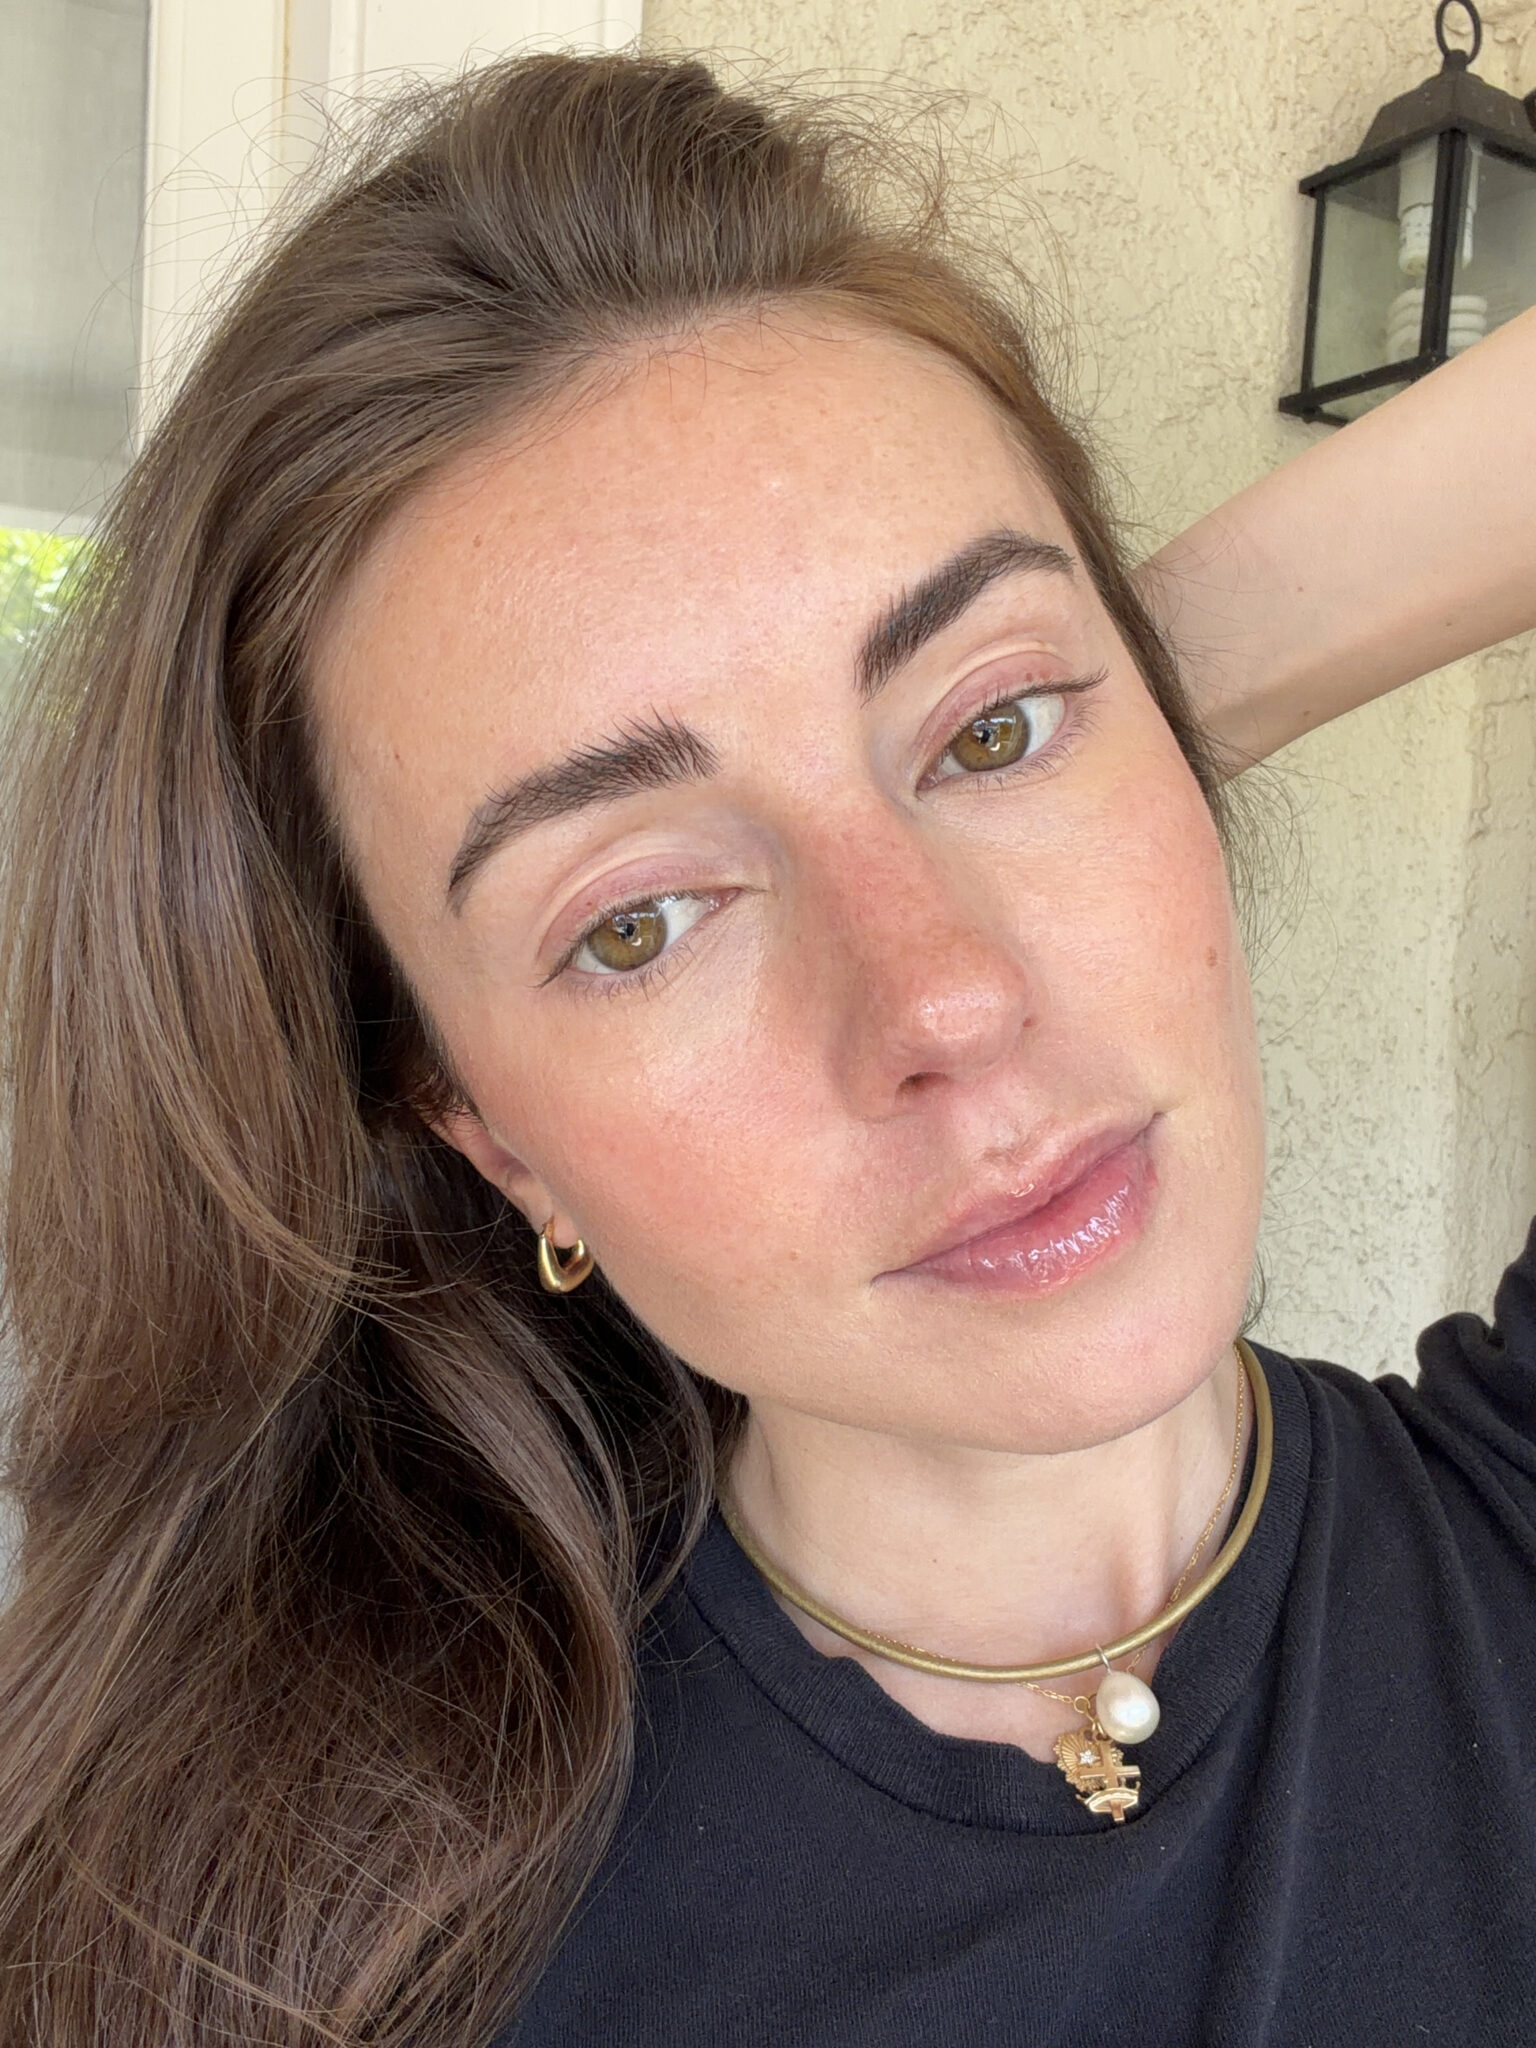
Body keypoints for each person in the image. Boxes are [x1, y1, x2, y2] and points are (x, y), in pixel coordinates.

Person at [0, 49, 1531, 2048]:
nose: (949, 1000)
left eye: (998, 732)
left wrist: (1121, 678)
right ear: (485, 1133)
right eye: (637, 920)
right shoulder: (280, 1941)